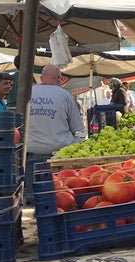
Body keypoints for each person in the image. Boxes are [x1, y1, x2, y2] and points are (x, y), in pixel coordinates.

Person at [25, 64, 85, 204]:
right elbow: (78, 128)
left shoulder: (29, 93)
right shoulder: (65, 95)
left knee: (34, 200)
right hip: (59, 156)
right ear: (59, 79)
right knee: (58, 199)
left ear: (41, 78)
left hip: (31, 154)